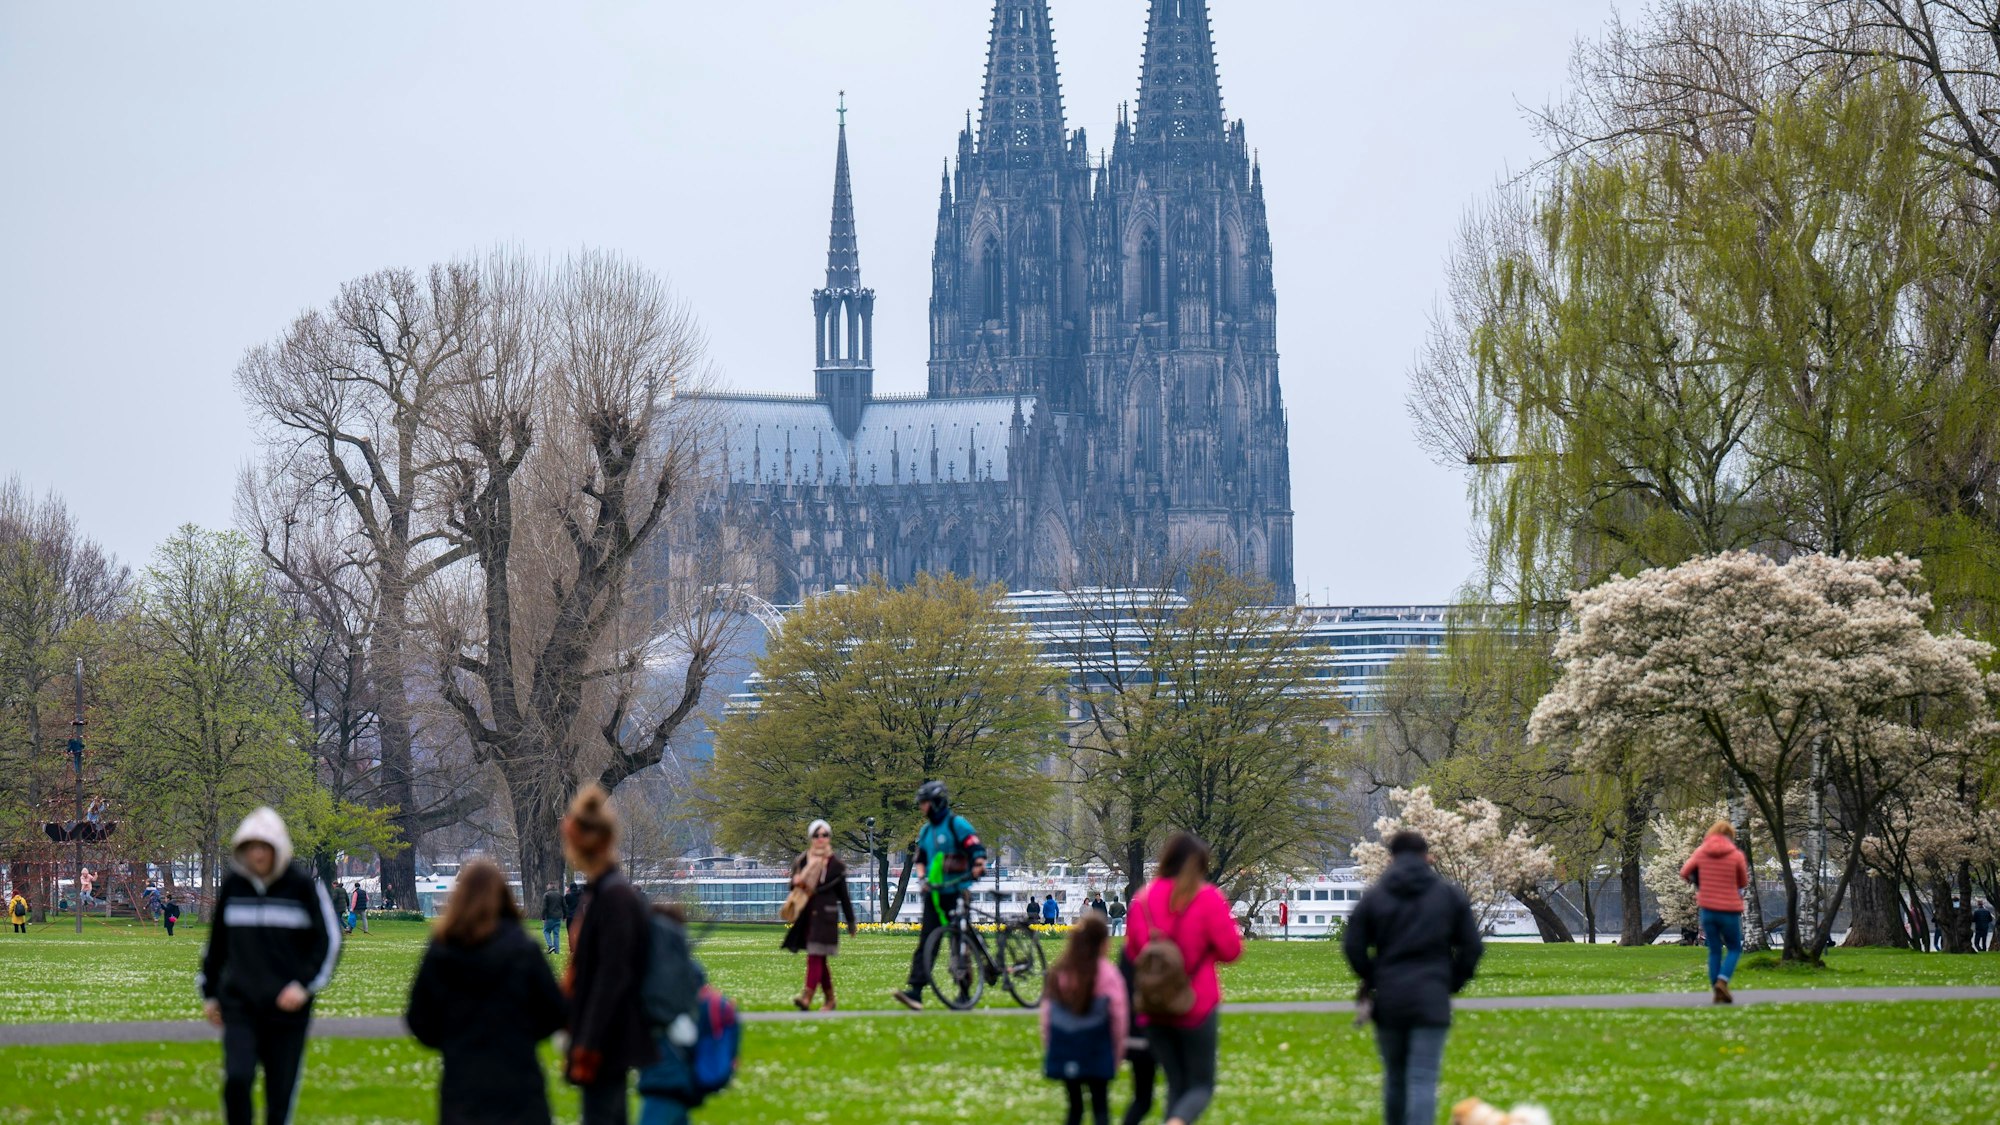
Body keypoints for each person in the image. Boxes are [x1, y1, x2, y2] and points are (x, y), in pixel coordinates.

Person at [198, 806, 343, 1125]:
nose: (258, 854)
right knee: (237, 1079)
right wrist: (209, 993)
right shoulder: (234, 886)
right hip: (240, 1005)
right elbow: (217, 944)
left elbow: (328, 942)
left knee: (279, 1096)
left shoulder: (302, 886)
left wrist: (303, 986)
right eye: (251, 847)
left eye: (265, 846)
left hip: (287, 1010)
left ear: (279, 848)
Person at [405, 857, 568, 1125]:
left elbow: (419, 1018)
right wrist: (523, 1033)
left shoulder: (442, 951)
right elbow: (555, 1011)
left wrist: (451, 1038)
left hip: (463, 1077)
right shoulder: (523, 949)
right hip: (518, 1077)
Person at [1343, 831, 1484, 1125]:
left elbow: (1353, 946)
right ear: (1427, 857)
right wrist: (1451, 981)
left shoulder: (1375, 897)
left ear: (1391, 858)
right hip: (1431, 994)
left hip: (1390, 998)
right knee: (1423, 1078)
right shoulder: (1448, 895)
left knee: (1395, 1077)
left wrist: (1373, 975)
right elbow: (1472, 947)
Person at [1123, 833, 1243, 1125]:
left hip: (1155, 1007)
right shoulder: (1206, 898)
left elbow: (1134, 952)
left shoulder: (1143, 900)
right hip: (1196, 1003)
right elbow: (1231, 950)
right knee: (1200, 1086)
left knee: (1176, 1085)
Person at [562, 785, 656, 1124]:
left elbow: (611, 977)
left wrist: (588, 1042)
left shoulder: (612, 897)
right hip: (606, 1034)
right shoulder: (607, 892)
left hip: (606, 1038)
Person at [891, 779, 986, 1011]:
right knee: (927, 940)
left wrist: (978, 864)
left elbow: (975, 848)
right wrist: (922, 878)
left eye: (924, 803)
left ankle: (964, 991)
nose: (921, 807)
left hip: (957, 890)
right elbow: (921, 859)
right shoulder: (926, 831)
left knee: (958, 942)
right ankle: (916, 990)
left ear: (936, 802)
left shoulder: (956, 824)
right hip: (934, 893)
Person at [1042, 914, 1126, 1125]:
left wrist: (1051, 1045)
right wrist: (1116, 1053)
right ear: (1104, 943)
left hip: (1066, 1046)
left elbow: (1048, 1015)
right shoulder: (1107, 974)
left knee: (1074, 1108)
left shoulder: (1060, 971)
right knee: (1100, 1107)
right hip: (1097, 1048)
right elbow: (1119, 1018)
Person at [783, 819, 857, 1011]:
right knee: (819, 958)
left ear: (829, 837)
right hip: (807, 916)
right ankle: (830, 1000)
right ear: (811, 838)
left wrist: (851, 921)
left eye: (824, 835)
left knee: (815, 956)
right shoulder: (803, 860)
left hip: (825, 918)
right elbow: (793, 886)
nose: (820, 838)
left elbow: (844, 896)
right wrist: (795, 881)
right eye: (817, 835)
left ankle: (807, 997)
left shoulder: (836, 866)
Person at [1680, 820, 1750, 1003]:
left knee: (1714, 950)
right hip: (1729, 909)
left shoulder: (1701, 852)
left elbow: (1685, 872)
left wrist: (1699, 882)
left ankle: (1717, 991)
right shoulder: (1736, 855)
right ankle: (1722, 981)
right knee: (1734, 948)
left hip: (1708, 908)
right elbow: (1743, 881)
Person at [541, 883, 565, 955]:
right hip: (558, 917)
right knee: (556, 934)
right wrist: (565, 916)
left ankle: (550, 946)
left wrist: (543, 917)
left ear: (549, 887)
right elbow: (564, 906)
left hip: (549, 917)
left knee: (546, 931)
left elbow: (544, 907)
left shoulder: (546, 895)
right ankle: (557, 951)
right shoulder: (560, 895)